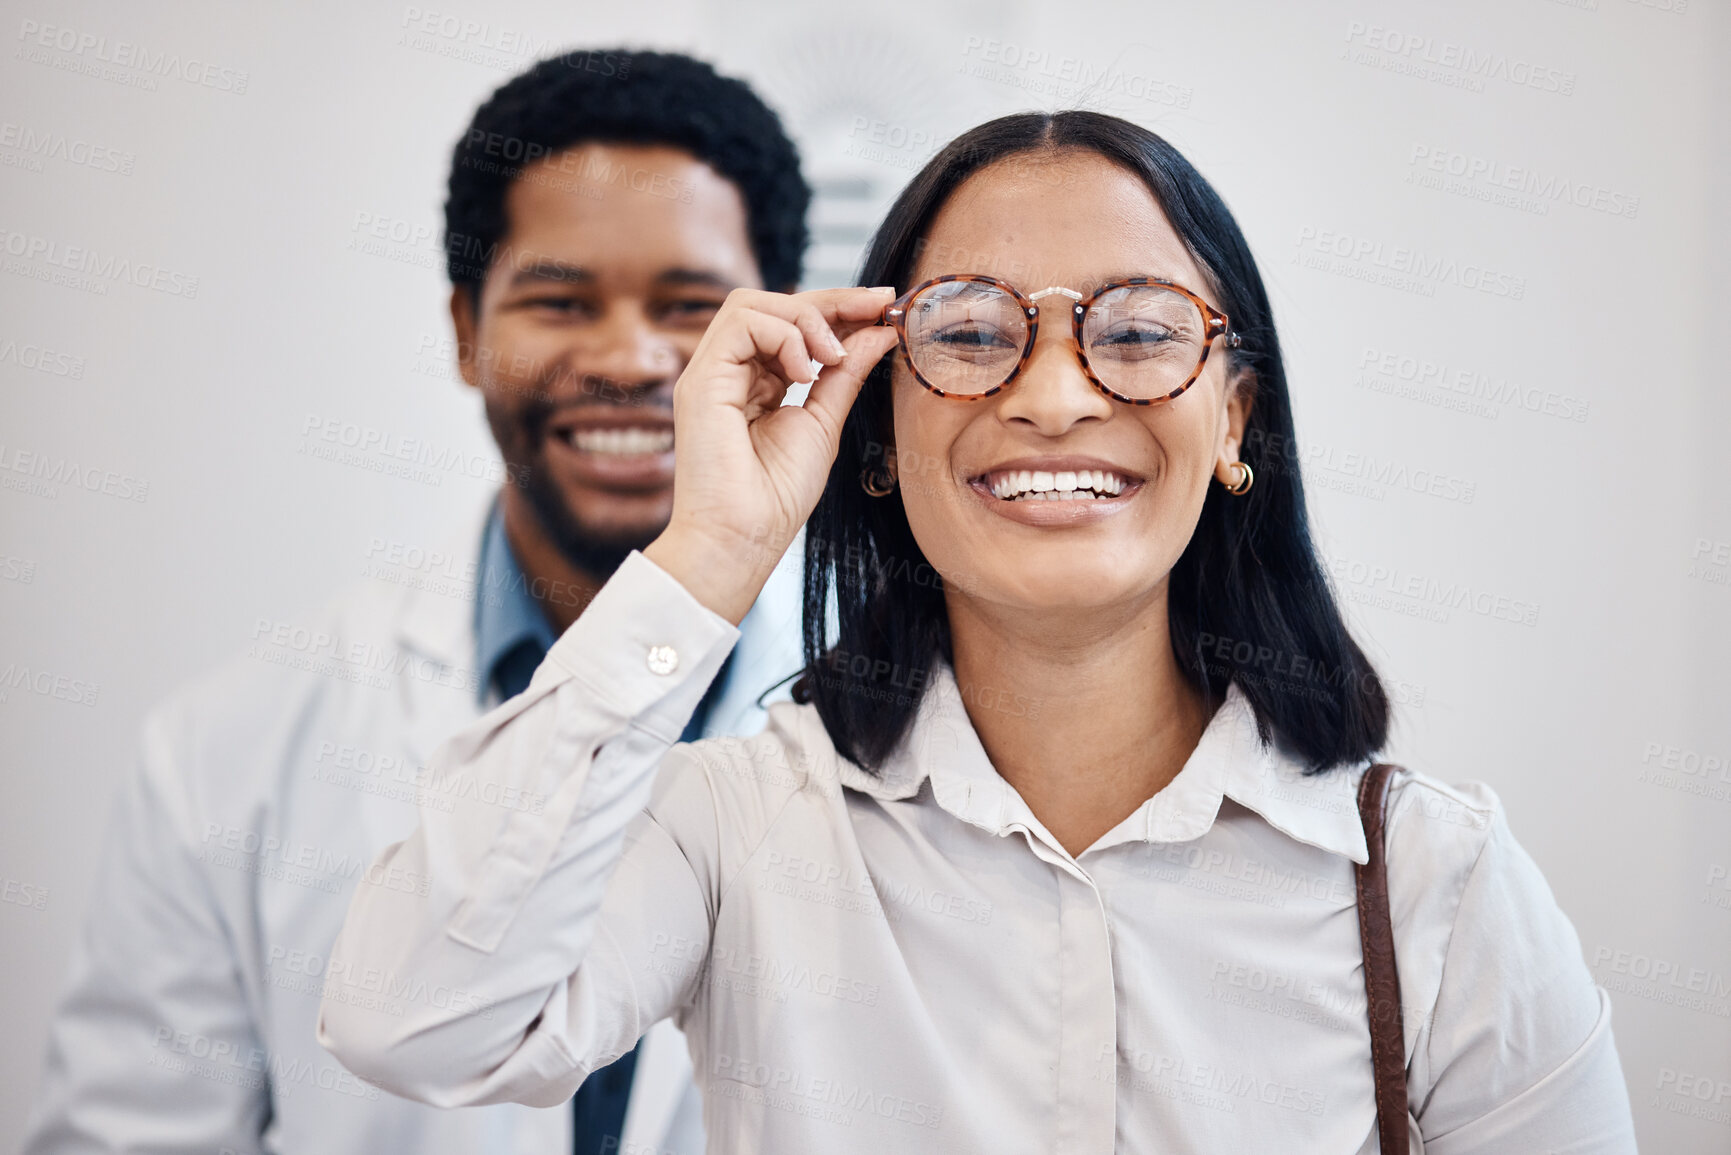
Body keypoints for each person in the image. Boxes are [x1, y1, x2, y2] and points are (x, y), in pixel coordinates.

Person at [318, 111, 1638, 1153]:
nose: (1054, 395)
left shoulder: (1432, 880)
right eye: (964, 331)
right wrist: (710, 549)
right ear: (878, 430)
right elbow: (412, 1021)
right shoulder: (731, 825)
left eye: (1133, 331)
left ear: (1233, 420)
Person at [22, 50, 811, 1155]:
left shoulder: (908, 721)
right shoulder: (231, 750)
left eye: (689, 306)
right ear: (463, 330)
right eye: (560, 299)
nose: (632, 358)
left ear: (779, 342)